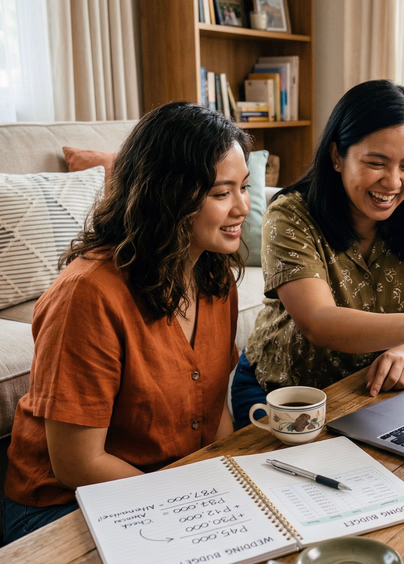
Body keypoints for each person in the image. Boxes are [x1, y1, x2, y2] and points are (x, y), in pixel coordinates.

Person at [2, 102, 251, 543]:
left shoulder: (215, 278)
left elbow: (215, 411)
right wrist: (192, 506)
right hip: (63, 504)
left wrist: (228, 480)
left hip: (165, 486)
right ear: (168, 195)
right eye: (221, 193)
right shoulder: (88, 294)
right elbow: (77, 464)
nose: (242, 207)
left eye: (244, 188)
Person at [232, 80, 404, 429]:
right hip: (283, 392)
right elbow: (317, 321)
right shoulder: (290, 215)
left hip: (371, 390)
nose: (393, 182)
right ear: (337, 156)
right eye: (376, 163)